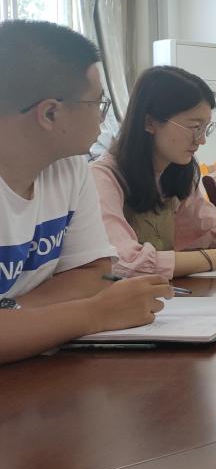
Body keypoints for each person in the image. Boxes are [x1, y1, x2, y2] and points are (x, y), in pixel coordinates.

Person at [0, 20, 171, 365]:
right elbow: (94, 297)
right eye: (98, 103)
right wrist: (94, 313)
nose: (102, 119)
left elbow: (93, 272)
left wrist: (14, 315)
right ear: (50, 113)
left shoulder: (69, 166)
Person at [91, 66, 216, 279]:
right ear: (150, 122)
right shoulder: (103, 177)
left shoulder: (177, 171)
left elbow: (209, 227)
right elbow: (124, 261)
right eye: (195, 127)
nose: (202, 140)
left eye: (206, 128)